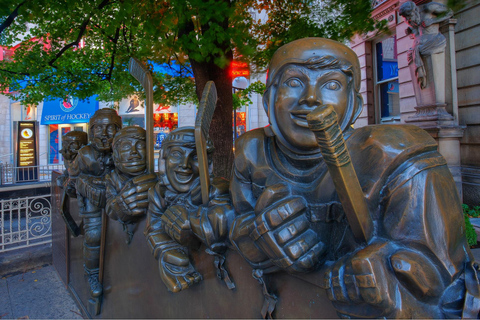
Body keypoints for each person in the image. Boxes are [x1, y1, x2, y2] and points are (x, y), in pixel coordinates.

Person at [229, 37, 480, 318]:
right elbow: (231, 220)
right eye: (294, 82)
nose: (311, 97)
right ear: (268, 99)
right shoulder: (252, 153)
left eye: (332, 84)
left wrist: (395, 276)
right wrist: (253, 236)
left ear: (354, 105)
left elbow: (452, 289)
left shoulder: (393, 157)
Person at [145, 127, 234, 293]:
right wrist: (167, 252)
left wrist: (193, 224)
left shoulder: (216, 191)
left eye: (195, 157)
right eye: (177, 154)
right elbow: (153, 227)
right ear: (164, 159)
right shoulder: (158, 193)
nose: (184, 165)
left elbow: (223, 220)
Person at [68, 108, 122, 308]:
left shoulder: (123, 149)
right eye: (99, 128)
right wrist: (80, 184)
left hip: (117, 196)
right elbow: (72, 181)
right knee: (94, 234)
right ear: (91, 132)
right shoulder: (85, 154)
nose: (104, 133)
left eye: (110, 128)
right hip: (92, 198)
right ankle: (91, 275)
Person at [105, 126, 157, 243]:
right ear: (116, 156)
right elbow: (109, 207)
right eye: (127, 147)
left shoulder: (158, 179)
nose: (134, 152)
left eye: (141, 146)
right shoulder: (112, 178)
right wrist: (119, 206)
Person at [399, 1, 453, 89]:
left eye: (410, 16)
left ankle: (421, 74)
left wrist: (432, 21)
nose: (409, 20)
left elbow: (449, 12)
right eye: (407, 18)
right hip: (420, 45)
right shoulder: (410, 20)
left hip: (434, 41)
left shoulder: (429, 8)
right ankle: (420, 74)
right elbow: (417, 34)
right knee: (411, 52)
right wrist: (411, 32)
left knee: (418, 50)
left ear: (415, 10)